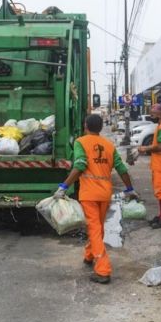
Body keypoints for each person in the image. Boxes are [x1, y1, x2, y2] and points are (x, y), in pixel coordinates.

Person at [54, 114, 138, 284]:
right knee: (97, 228)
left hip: (89, 195)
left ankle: (103, 270)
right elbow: (121, 168)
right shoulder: (108, 144)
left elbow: (79, 165)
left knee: (94, 229)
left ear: (85, 126)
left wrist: (63, 187)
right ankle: (89, 255)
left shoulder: (81, 142)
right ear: (100, 127)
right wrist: (130, 189)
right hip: (104, 194)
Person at [138, 104, 161, 229]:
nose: (151, 116)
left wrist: (144, 148)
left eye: (152, 113)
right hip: (160, 164)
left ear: (159, 114)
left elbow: (159, 146)